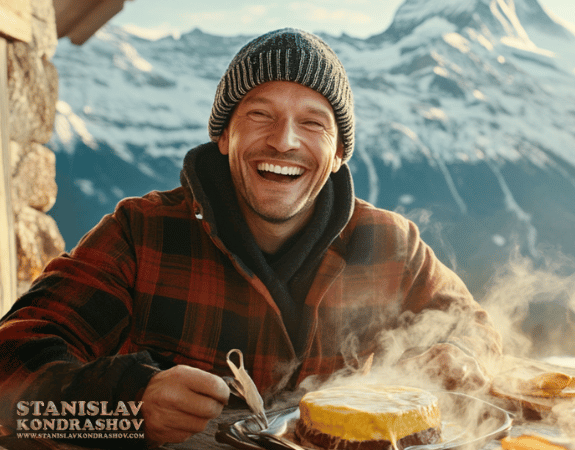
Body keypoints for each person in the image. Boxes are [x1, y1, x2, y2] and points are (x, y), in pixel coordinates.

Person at [0, 28, 502, 447]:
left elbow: (474, 335)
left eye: (313, 123)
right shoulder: (142, 233)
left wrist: (459, 358)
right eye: (259, 114)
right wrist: (128, 406)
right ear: (224, 136)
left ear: (339, 154)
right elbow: (9, 372)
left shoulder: (390, 244)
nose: (284, 140)